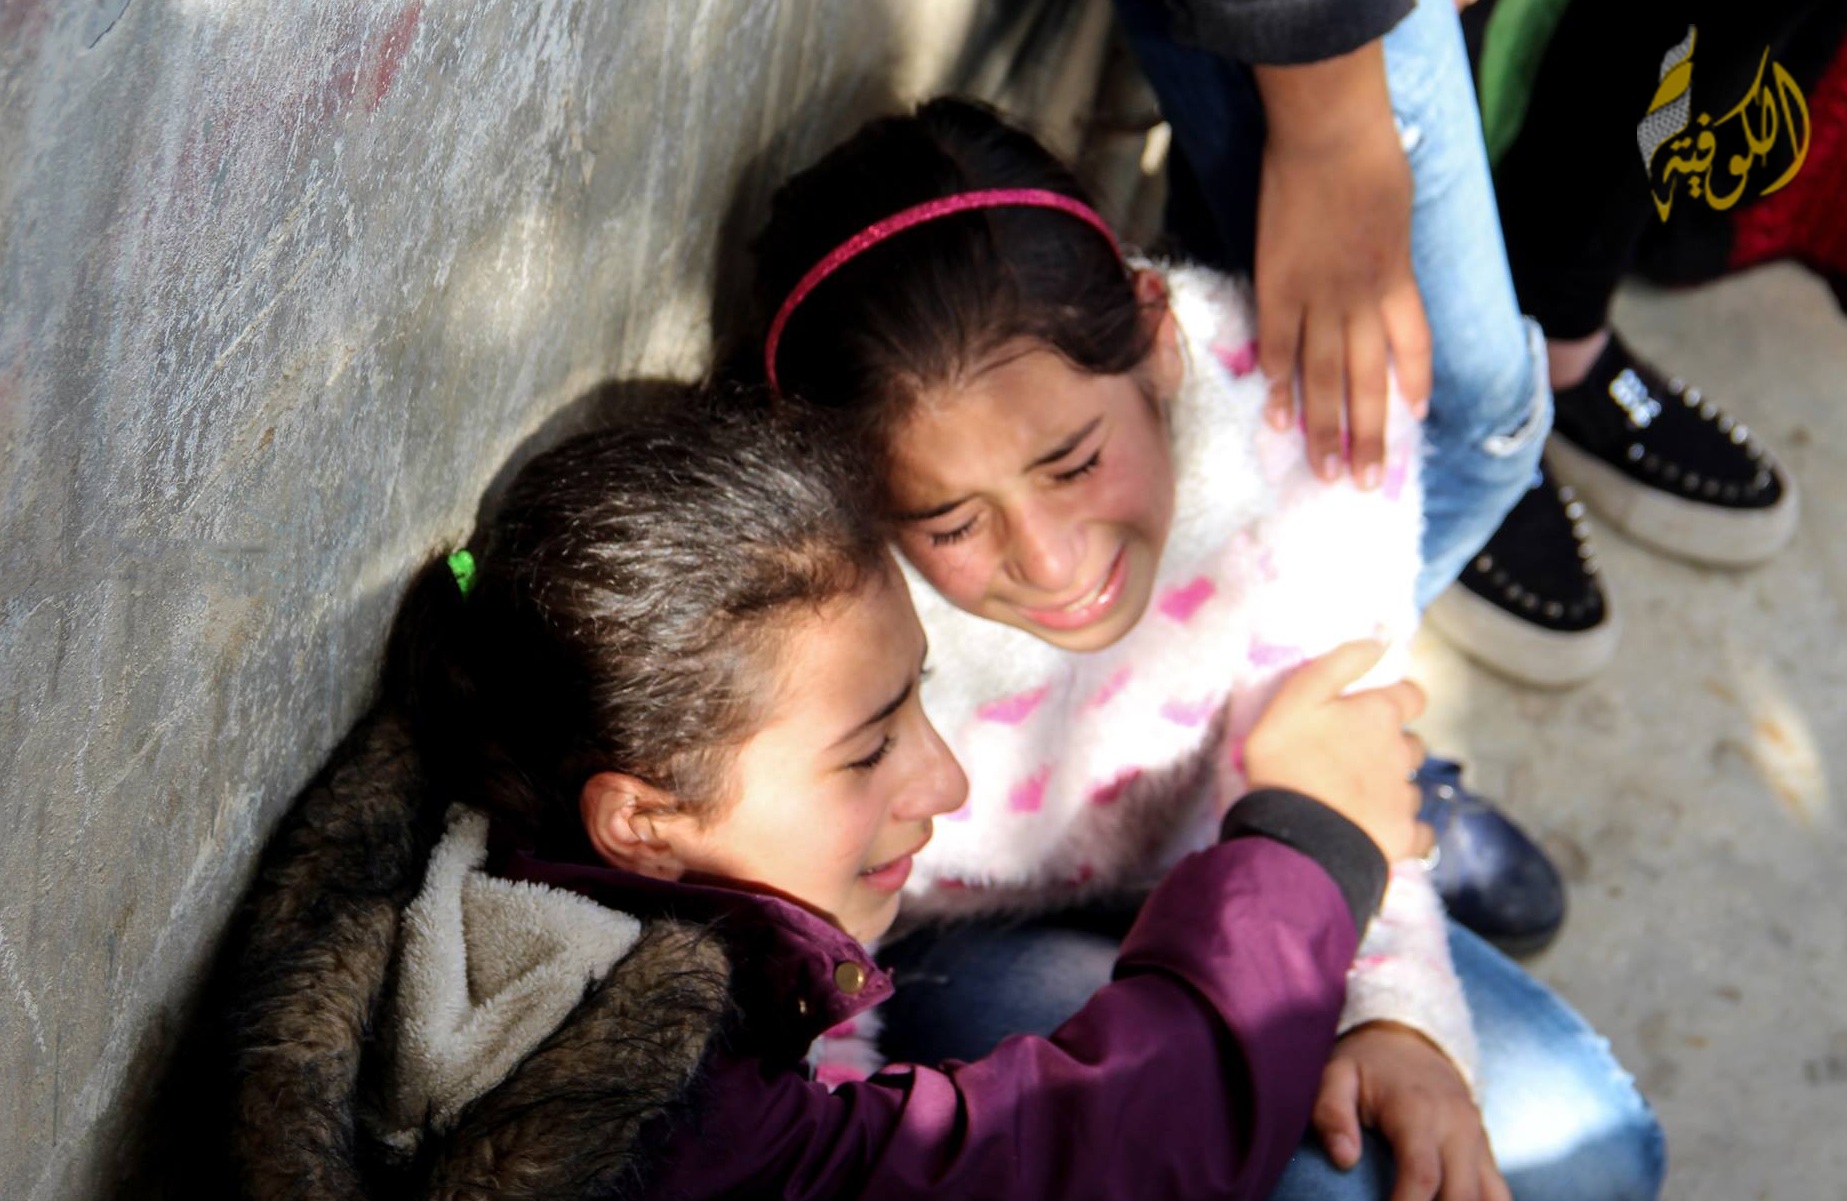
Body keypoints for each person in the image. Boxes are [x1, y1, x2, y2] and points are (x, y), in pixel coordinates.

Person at [750, 98, 1663, 1201]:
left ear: (1158, 339)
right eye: (950, 522)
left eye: (1074, 463)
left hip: (1263, 845)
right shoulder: (813, 609)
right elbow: (805, 979)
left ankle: (1414, 832)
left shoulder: (1300, 415)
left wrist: (1396, 1012)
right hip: (956, 940)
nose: (1049, 560)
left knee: (1591, 1148)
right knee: (1315, 1185)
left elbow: (1329, 765)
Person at [225, 399, 1430, 1200]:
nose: (947, 781)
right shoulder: (675, 1136)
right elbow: (1102, 1150)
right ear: (639, 821)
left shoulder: (500, 814)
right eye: (865, 752)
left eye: (916, 700)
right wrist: (1310, 837)